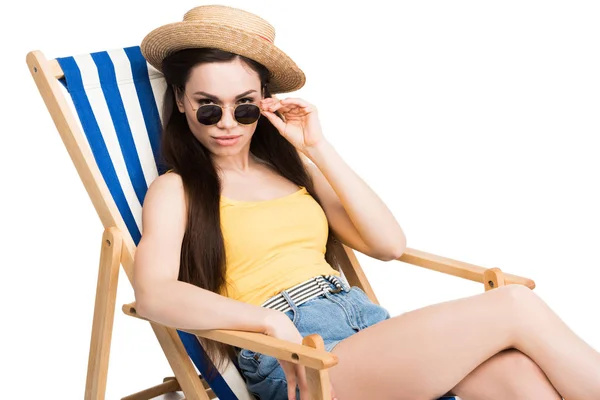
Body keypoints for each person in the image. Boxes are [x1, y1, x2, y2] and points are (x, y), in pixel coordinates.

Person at [132, 4, 600, 400]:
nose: (227, 123)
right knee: (513, 305)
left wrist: (316, 147)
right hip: (297, 358)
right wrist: (270, 322)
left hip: (363, 326)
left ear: (266, 103)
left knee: (519, 377)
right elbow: (154, 293)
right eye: (208, 105)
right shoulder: (177, 189)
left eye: (246, 105)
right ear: (181, 100)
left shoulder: (293, 173)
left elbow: (388, 244)